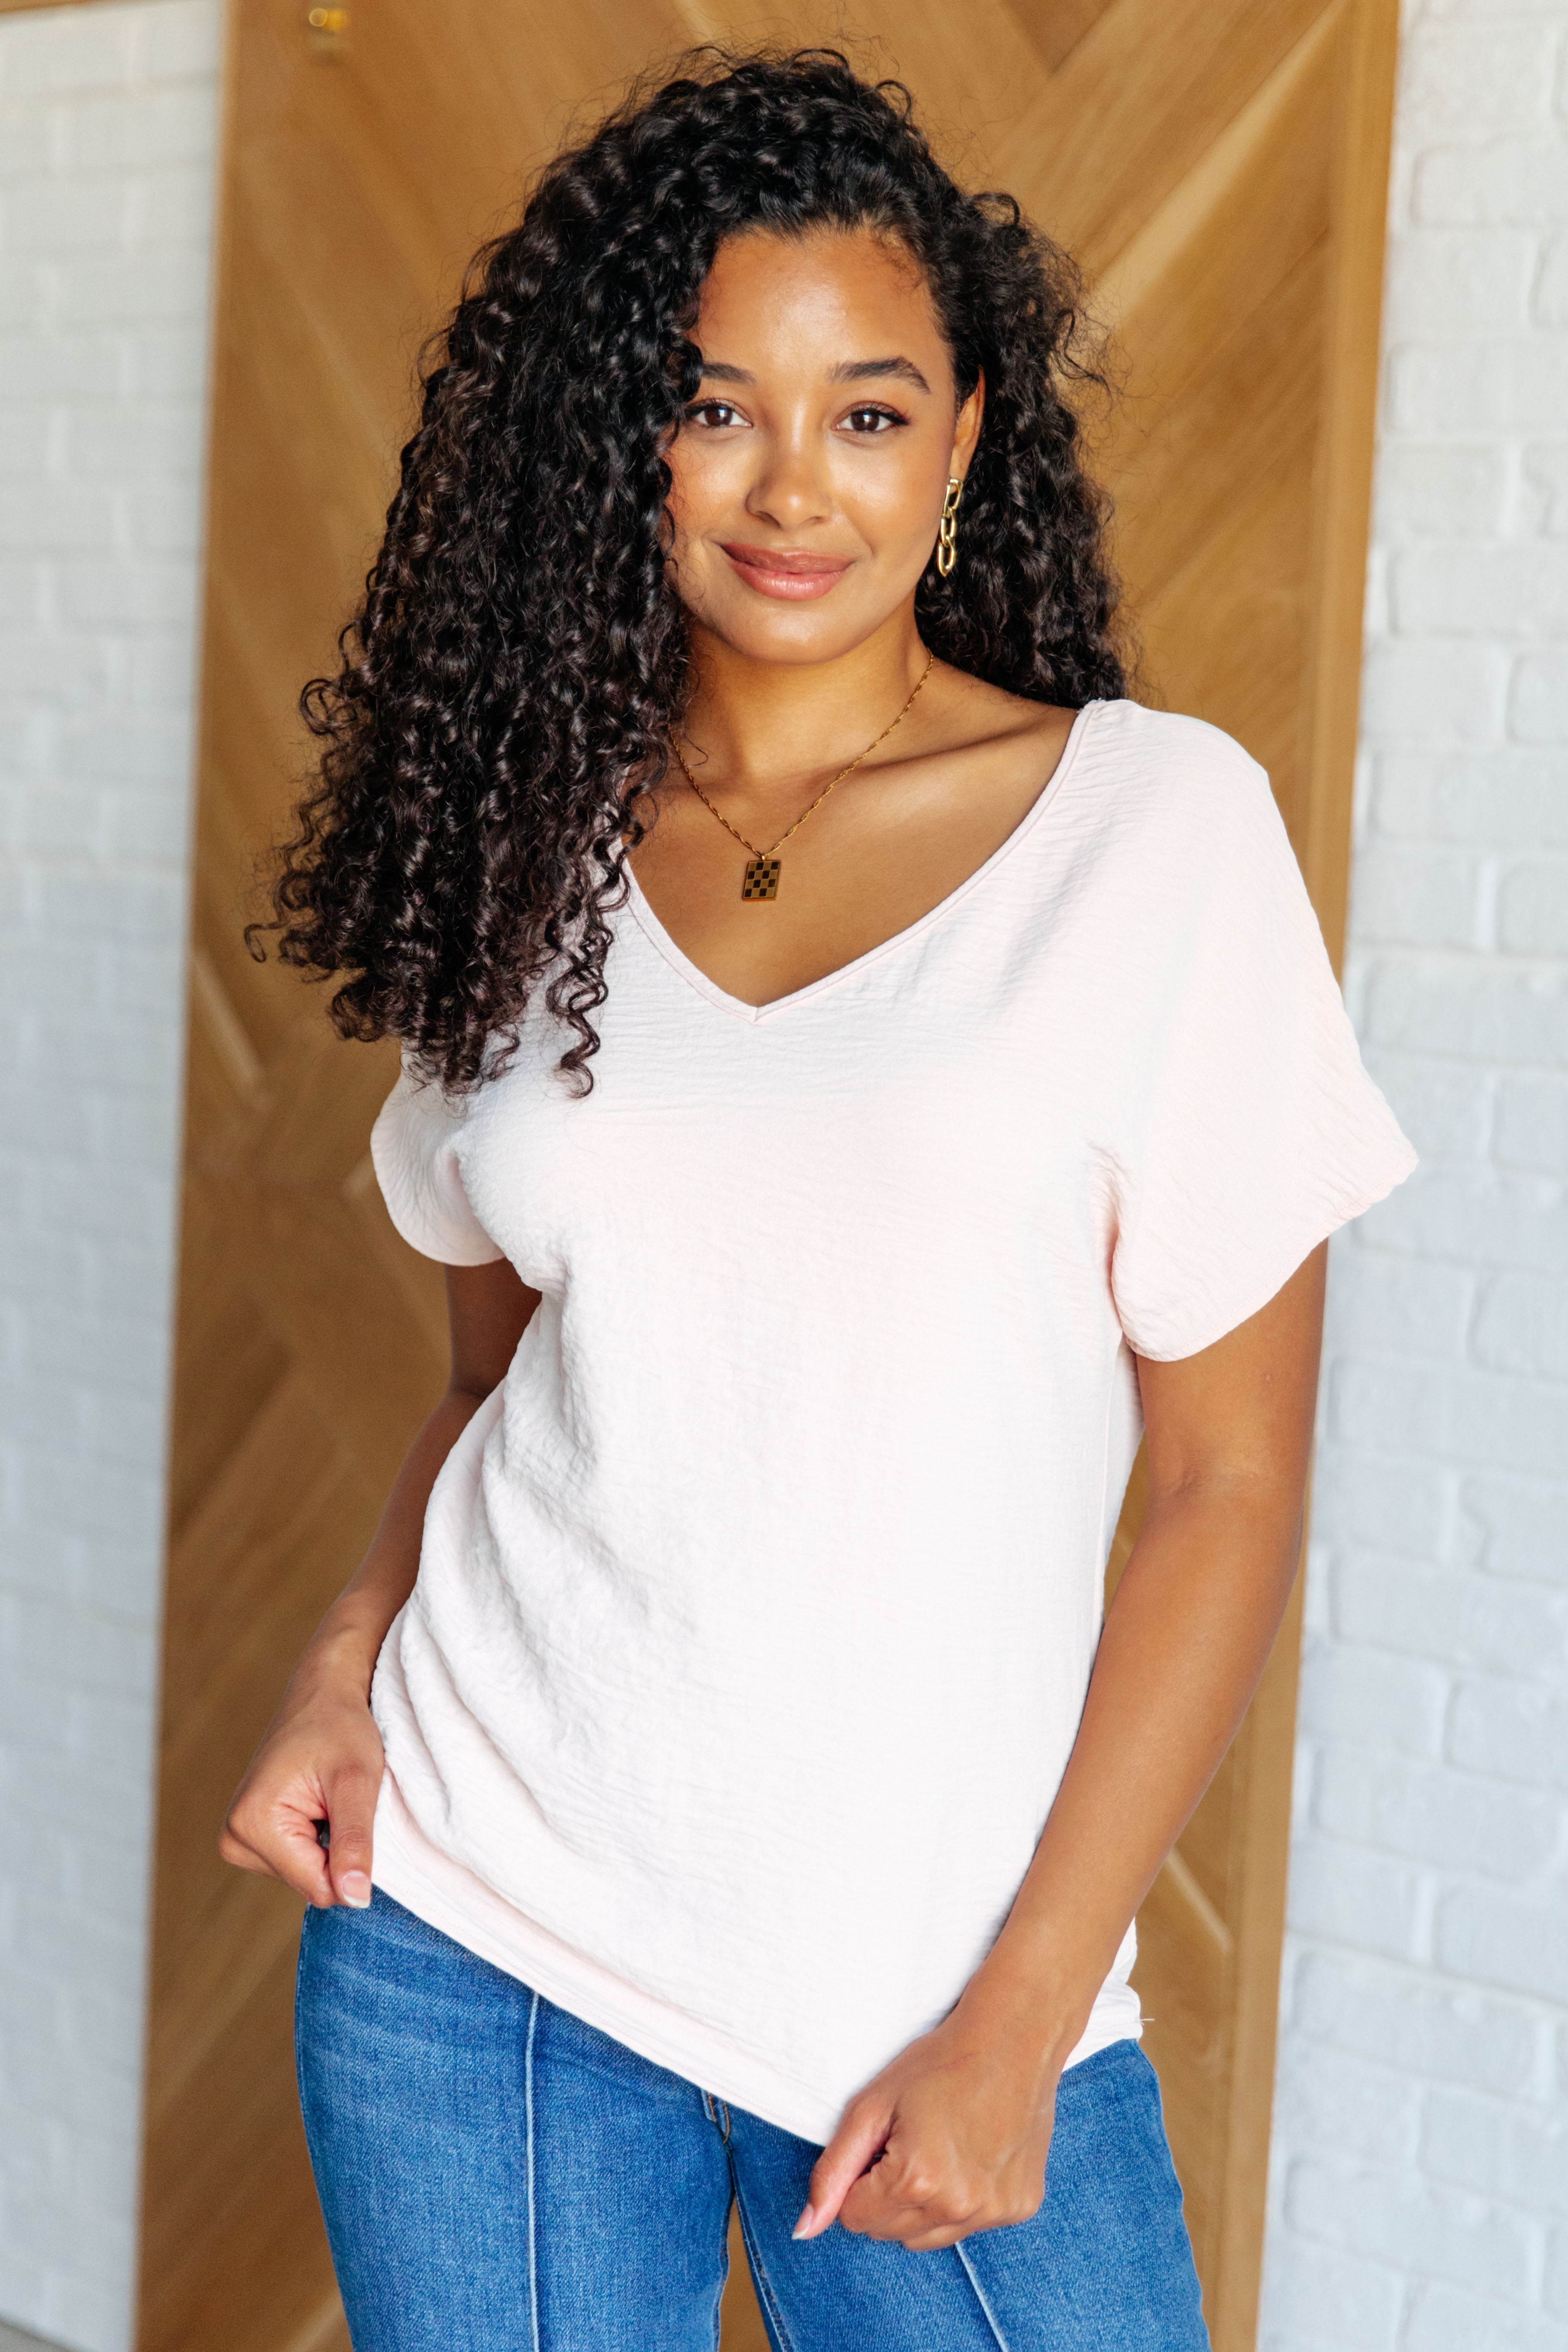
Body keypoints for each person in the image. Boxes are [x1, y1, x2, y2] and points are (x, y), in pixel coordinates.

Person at [221, 48, 1415, 2352]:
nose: (795, 488)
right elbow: (492, 1396)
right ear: (623, 445)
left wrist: (1024, 2011)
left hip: (937, 1993)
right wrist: (341, 1666)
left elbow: (1227, 1485)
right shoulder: (524, 846)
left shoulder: (1150, 833)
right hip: (476, 1943)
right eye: (715, 409)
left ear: (961, 442)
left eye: (868, 412)